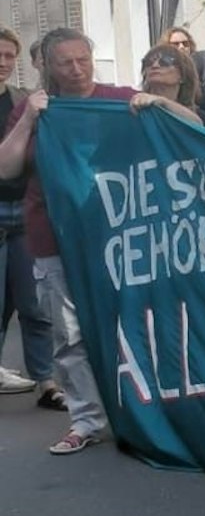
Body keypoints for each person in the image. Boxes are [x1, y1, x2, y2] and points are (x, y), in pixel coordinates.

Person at [0, 29, 137, 454]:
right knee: (71, 335)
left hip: (116, 234)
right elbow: (6, 170)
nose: (77, 70)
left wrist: (160, 103)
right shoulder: (33, 108)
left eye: (84, 59)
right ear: (47, 67)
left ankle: (140, 415)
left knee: (129, 325)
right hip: (54, 236)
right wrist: (28, 119)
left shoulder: (119, 98)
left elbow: (191, 128)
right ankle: (86, 420)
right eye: (66, 63)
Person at [0, 28, 57, 405]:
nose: (3, 63)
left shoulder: (23, 99)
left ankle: (47, 382)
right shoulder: (26, 106)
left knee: (34, 304)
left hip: (24, 207)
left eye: (9, 56)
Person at [128, 44, 205, 125]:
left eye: (165, 61)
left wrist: (163, 102)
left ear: (182, 75)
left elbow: (198, 125)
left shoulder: (199, 113)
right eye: (148, 62)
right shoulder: (134, 105)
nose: (155, 65)